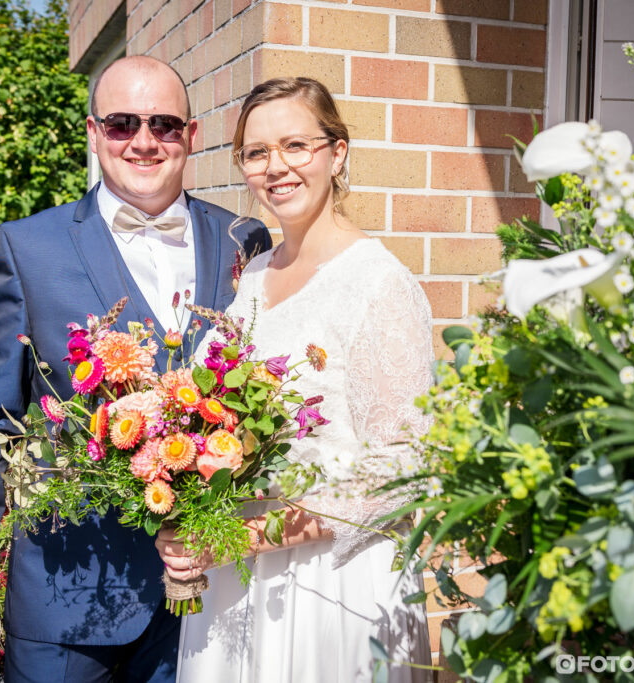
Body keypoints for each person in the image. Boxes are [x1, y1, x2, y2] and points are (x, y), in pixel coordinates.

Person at [0, 55, 270, 682]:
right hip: (68, 604)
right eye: (122, 123)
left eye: (165, 124)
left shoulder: (244, 243)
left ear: (192, 136)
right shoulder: (29, 247)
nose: (144, 141)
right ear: (94, 133)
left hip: (206, 605)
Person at [155, 77, 433, 682]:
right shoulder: (254, 274)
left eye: (295, 146)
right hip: (236, 577)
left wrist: (241, 537)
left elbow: (401, 471)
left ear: (337, 153)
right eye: (256, 153)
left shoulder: (378, 282)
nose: (274, 167)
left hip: (333, 582)